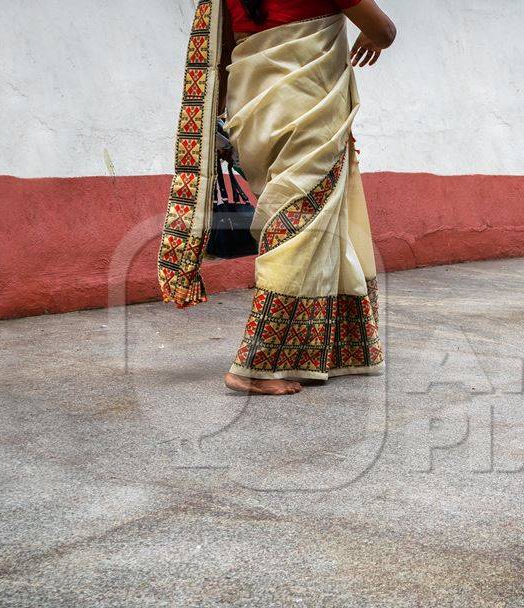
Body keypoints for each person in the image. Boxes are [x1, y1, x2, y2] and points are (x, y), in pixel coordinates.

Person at [157, 0, 397, 395]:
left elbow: (221, 51)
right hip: (308, 111)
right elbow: (384, 30)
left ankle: (321, 349)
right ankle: (255, 365)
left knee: (297, 223)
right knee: (298, 234)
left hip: (254, 111)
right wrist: (372, 36)